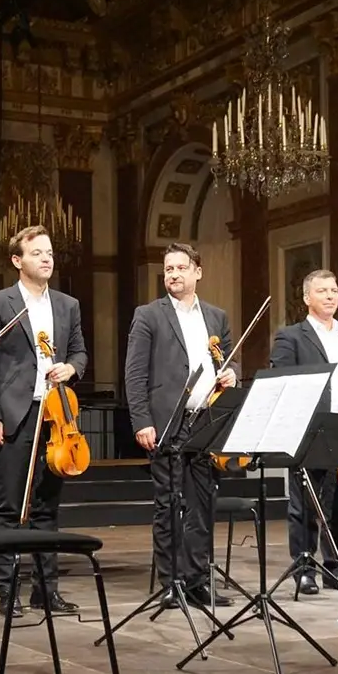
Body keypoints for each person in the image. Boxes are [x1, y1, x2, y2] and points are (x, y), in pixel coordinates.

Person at [0, 225, 87, 617]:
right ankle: (5, 589)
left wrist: (70, 368)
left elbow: (81, 354)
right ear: (17, 261)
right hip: (15, 415)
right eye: (37, 253)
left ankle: (45, 590)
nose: (47, 258)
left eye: (50, 252)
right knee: (7, 506)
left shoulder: (68, 305)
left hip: (56, 415)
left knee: (47, 508)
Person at [124, 242, 237, 609]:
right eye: (168, 269)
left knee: (203, 505)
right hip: (167, 421)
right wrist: (141, 420)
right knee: (169, 504)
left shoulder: (216, 317)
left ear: (197, 272)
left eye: (180, 268)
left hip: (206, 420)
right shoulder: (148, 315)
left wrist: (231, 375)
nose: (173, 274)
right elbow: (135, 373)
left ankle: (198, 580)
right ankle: (171, 581)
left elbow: (230, 362)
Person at [269, 269, 338, 596]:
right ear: (306, 298)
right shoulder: (291, 337)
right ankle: (303, 568)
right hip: (310, 428)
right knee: (305, 504)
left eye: (334, 290)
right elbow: (282, 380)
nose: (330, 296)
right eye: (322, 290)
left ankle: (336, 568)